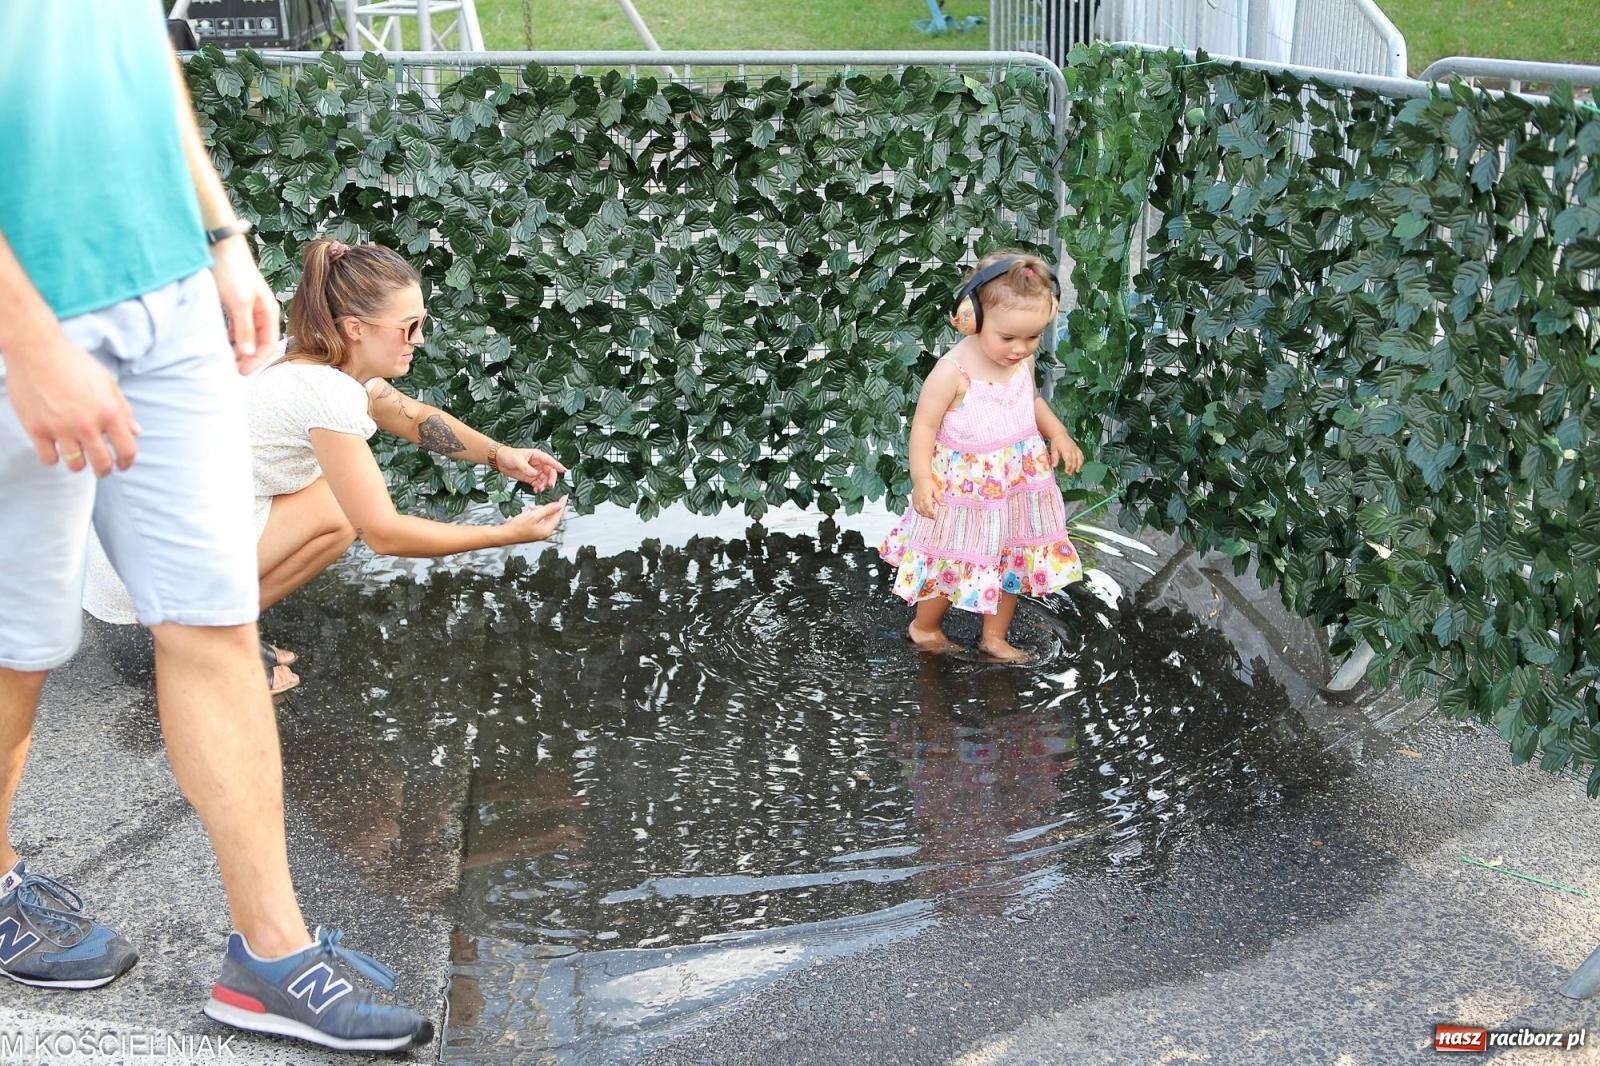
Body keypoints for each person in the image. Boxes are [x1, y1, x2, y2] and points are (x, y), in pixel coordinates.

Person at [0, 6, 429, 1052]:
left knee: (214, 618)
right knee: (14, 650)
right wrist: (30, 338)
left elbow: (135, 46)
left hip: (167, 291)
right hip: (27, 306)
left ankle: (270, 958)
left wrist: (223, 238)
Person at [83, 239, 569, 692]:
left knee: (336, 505)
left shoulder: (304, 353)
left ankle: (212, 634)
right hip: (146, 601)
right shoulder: (324, 393)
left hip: (130, 570)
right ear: (355, 328)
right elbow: (384, 534)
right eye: (409, 327)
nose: (418, 340)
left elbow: (412, 416)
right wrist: (506, 534)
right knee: (346, 505)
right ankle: (205, 647)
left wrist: (498, 454)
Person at [878, 251, 1087, 662]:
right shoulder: (952, 371)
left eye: (1032, 338)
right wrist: (923, 479)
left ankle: (994, 636)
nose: (1020, 349)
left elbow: (1031, 402)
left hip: (1015, 486)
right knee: (948, 560)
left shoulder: (1020, 364)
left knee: (1012, 561)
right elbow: (923, 427)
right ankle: (925, 627)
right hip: (965, 493)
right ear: (970, 318)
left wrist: (1057, 433)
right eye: (1008, 338)